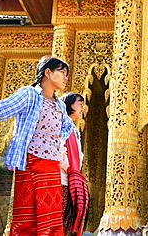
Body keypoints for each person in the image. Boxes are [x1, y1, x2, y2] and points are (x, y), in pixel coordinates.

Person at [0, 56, 75, 235]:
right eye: (62, 73)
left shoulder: (60, 105)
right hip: (31, 160)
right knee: (27, 216)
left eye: (66, 74)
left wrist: (52, 142)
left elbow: (67, 128)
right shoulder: (29, 94)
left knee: (51, 216)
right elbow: (2, 109)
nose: (65, 78)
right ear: (48, 72)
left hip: (51, 164)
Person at [60, 92, 87, 235]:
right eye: (80, 105)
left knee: (69, 219)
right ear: (70, 105)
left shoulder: (74, 129)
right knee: (60, 218)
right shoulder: (61, 124)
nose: (83, 108)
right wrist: (69, 167)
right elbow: (58, 148)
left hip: (72, 179)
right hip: (61, 179)